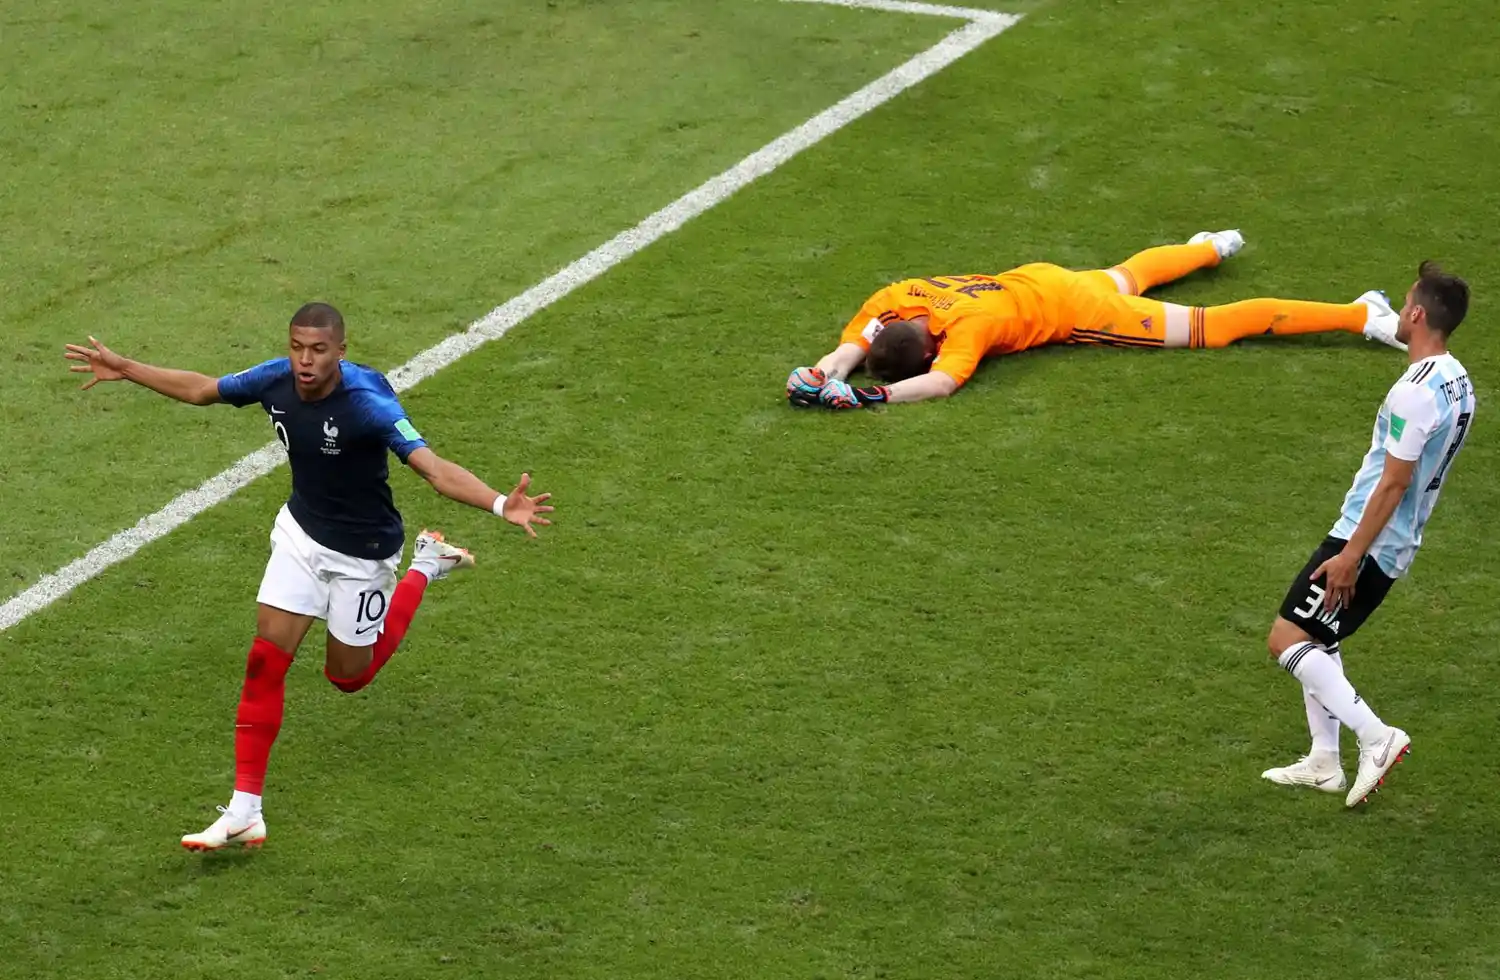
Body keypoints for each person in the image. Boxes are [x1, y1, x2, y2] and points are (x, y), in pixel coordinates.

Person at [64, 302, 554, 850]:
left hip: (363, 554)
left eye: (318, 350)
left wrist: (497, 505)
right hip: (301, 534)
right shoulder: (274, 379)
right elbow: (204, 389)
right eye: (297, 346)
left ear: (340, 352)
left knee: (348, 677)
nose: (304, 359)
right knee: (264, 658)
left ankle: (425, 564)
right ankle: (245, 810)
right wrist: (126, 367)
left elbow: (433, 469)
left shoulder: (367, 403)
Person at [1260, 261, 1473, 807]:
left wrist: (1351, 554)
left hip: (1368, 539)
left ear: (1419, 314)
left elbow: (1394, 481)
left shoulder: (1415, 393)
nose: (1400, 314)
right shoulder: (1458, 380)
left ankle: (1376, 737)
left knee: (1287, 639)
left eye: (1405, 306)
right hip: (1395, 540)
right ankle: (1324, 762)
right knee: (1322, 638)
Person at [785, 231, 1407, 408]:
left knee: (1209, 327)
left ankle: (1360, 315)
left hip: (1076, 311)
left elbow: (943, 383)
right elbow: (859, 337)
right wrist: (821, 371)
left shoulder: (964, 338)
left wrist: (874, 397)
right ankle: (1208, 246)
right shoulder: (900, 293)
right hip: (1042, 276)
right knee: (1125, 274)